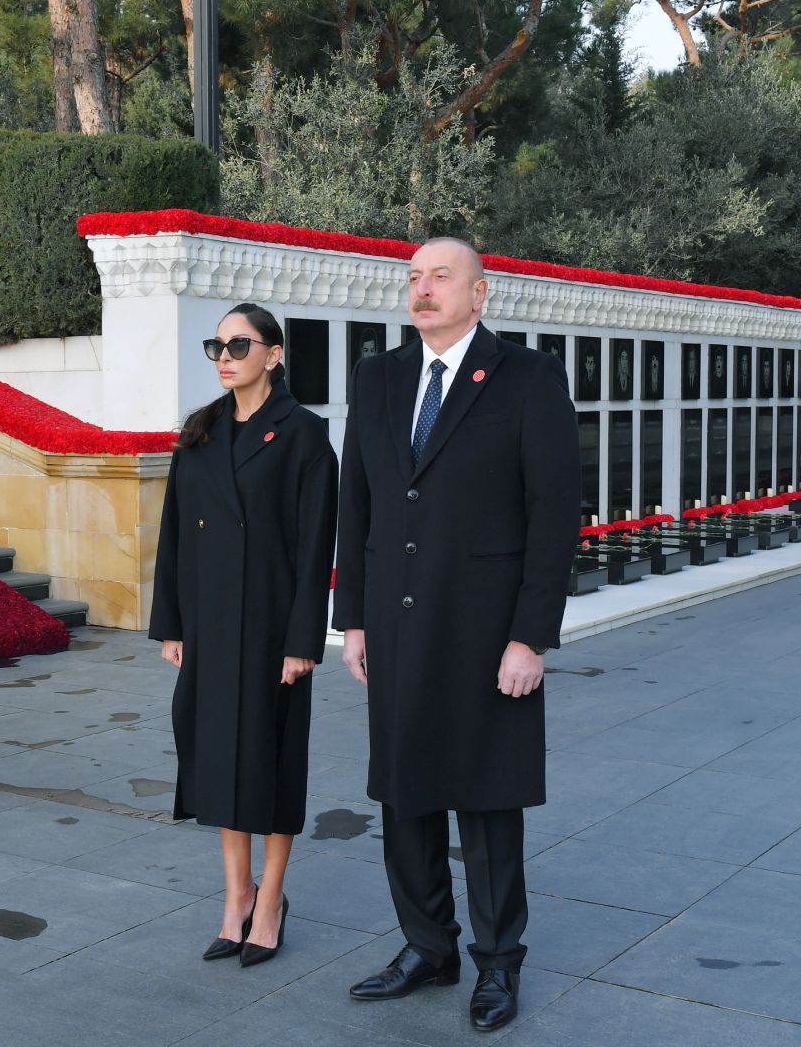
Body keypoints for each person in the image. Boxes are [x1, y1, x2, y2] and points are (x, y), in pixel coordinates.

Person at [333, 237, 580, 1031]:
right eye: (414, 277)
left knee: (485, 799)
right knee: (404, 795)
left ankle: (498, 964)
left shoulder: (528, 379)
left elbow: (553, 517)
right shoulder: (377, 378)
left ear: (480, 293)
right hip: (398, 626)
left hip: (484, 631)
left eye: (442, 277)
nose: (423, 289)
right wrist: (355, 619)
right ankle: (426, 947)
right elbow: (357, 507)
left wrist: (530, 636)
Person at [149, 302, 338, 968]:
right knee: (219, 762)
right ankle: (237, 896)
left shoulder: (304, 435)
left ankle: (273, 897)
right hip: (210, 624)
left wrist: (302, 641)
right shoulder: (200, 432)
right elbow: (174, 534)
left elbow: (316, 546)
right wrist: (171, 623)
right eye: (216, 345)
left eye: (239, 343)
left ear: (274, 354)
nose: (224, 356)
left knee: (274, 761)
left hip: (271, 628)